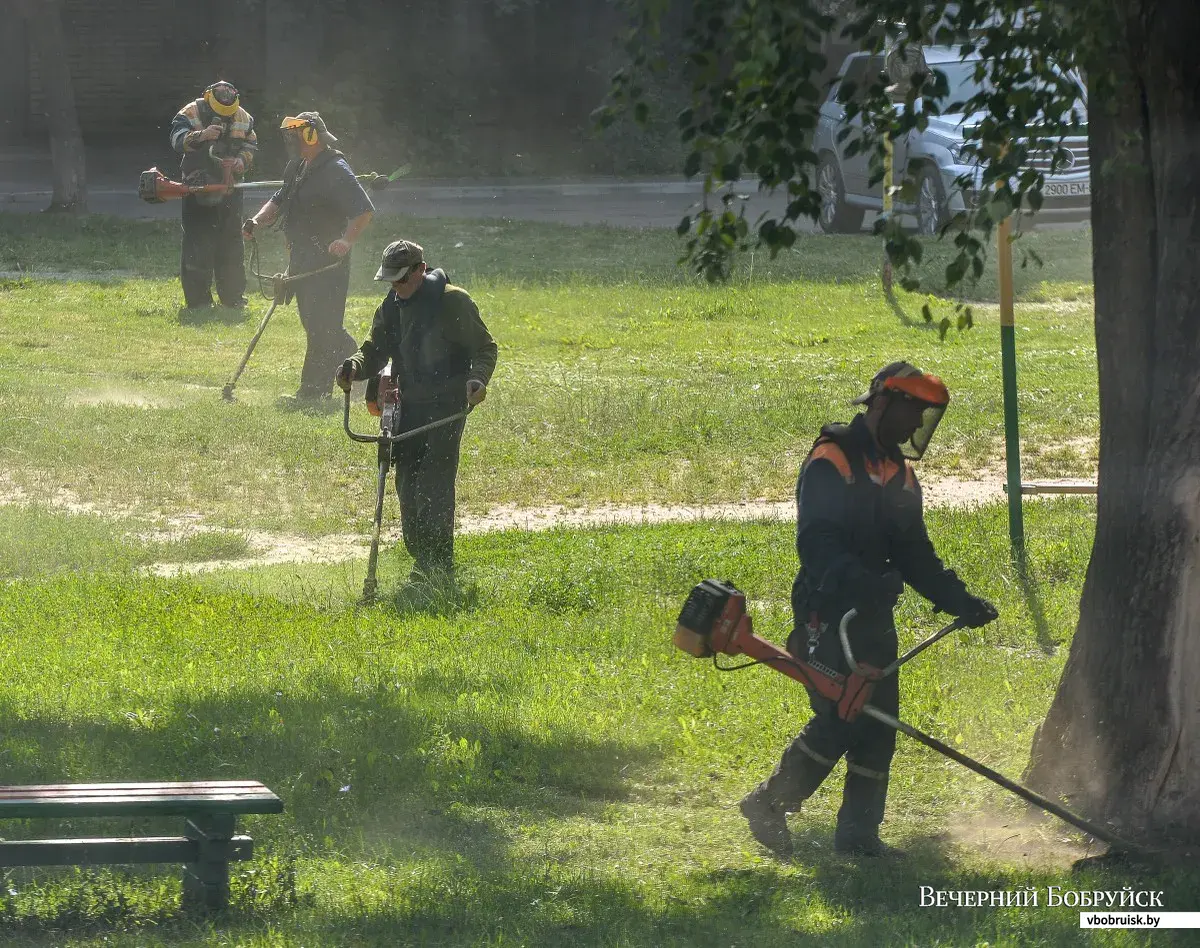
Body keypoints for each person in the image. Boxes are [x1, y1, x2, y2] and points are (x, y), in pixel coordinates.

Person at [740, 361, 998, 859]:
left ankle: (858, 837)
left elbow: (914, 552)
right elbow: (816, 545)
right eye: (910, 413)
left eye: (923, 417)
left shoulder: (898, 473)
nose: (914, 427)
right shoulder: (831, 459)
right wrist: (864, 585)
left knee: (878, 724)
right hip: (829, 609)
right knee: (842, 715)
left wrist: (958, 600)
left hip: (874, 611)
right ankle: (769, 803)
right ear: (881, 404)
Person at [335, 240, 498, 583]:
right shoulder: (392, 306)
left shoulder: (453, 301)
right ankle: (423, 557)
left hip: (445, 407)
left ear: (420, 270)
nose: (396, 288)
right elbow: (374, 350)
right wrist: (354, 365)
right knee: (407, 485)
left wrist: (478, 380)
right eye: (390, 281)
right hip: (406, 407)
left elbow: (485, 348)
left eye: (402, 280)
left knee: (434, 484)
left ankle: (437, 564)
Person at [242, 112, 374, 399]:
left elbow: (363, 210)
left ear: (311, 136)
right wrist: (256, 221)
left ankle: (313, 392)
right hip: (302, 258)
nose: (290, 141)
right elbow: (280, 198)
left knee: (322, 327)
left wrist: (346, 240)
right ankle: (362, 368)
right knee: (315, 323)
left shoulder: (336, 169)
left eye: (295, 135)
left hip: (328, 262)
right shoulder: (298, 166)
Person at [169, 80, 257, 310]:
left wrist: (241, 161)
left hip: (230, 189)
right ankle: (198, 302)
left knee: (231, 244)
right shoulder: (190, 112)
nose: (227, 117)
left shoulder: (243, 117)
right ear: (208, 99)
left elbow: (251, 144)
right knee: (198, 243)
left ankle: (233, 298)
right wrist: (202, 135)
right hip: (198, 188)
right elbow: (176, 140)